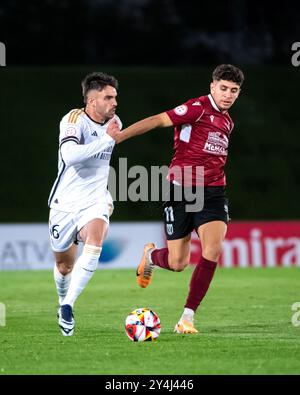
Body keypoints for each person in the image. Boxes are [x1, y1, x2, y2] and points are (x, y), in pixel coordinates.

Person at [112, 64, 244, 334]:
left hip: (213, 193)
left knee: (212, 250)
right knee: (177, 263)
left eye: (234, 91)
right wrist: (120, 137)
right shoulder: (196, 108)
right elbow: (157, 120)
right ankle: (151, 256)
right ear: (212, 87)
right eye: (223, 88)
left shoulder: (228, 122)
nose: (228, 95)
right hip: (181, 189)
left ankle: (187, 318)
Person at [48, 72, 121, 336]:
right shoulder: (73, 119)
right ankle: (61, 300)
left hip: (95, 199)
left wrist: (109, 137)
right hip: (65, 204)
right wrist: (107, 139)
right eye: (108, 97)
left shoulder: (115, 121)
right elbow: (69, 155)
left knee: (96, 238)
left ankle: (68, 305)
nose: (115, 102)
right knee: (64, 265)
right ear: (91, 100)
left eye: (115, 96)